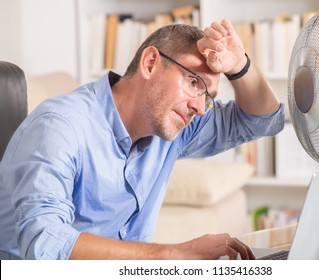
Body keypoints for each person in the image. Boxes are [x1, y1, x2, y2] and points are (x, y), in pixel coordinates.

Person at [0, 20, 284, 260]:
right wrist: (175, 255)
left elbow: (264, 121)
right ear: (150, 63)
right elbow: (45, 244)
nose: (199, 107)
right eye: (194, 82)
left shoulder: (173, 126)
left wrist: (241, 67)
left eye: (207, 98)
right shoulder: (60, 126)